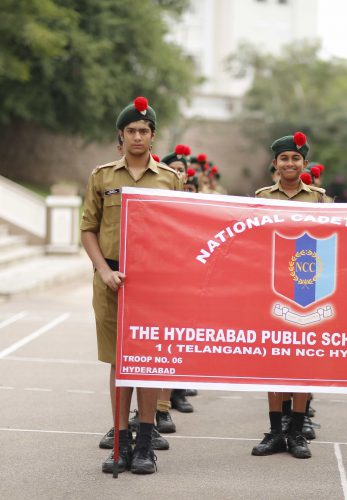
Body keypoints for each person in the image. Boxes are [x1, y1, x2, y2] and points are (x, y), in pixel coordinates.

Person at [81, 96, 182, 474]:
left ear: (153, 137)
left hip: (153, 285)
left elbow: (178, 234)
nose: (137, 136)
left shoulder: (171, 179)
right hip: (110, 279)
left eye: (144, 130)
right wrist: (103, 272)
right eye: (131, 130)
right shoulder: (102, 177)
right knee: (118, 363)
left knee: (148, 362)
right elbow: (88, 229)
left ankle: (144, 444)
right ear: (120, 137)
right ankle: (120, 444)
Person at [253, 131, 330, 460]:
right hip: (271, 288)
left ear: (305, 163)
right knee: (274, 362)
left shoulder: (319, 199)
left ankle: (297, 432)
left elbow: (330, 240)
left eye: (295, 158)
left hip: (307, 290)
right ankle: (275, 432)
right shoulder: (261, 196)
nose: (289, 163)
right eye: (283, 158)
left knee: (302, 362)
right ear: (274, 164)